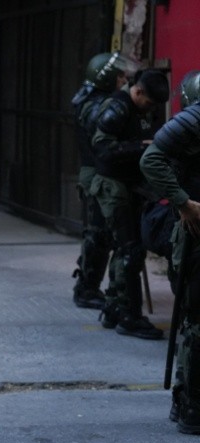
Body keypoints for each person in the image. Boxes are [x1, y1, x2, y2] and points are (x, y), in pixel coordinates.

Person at [140, 70, 200, 435]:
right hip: (195, 232)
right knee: (198, 319)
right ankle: (190, 403)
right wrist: (184, 204)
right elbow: (151, 160)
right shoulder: (192, 120)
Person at [91, 69, 170, 339]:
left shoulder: (141, 109)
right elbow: (102, 151)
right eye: (148, 103)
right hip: (112, 186)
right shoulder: (118, 107)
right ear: (137, 92)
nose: (150, 109)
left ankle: (115, 307)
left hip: (130, 186)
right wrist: (142, 146)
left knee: (125, 249)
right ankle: (129, 315)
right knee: (130, 250)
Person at [71, 52, 138, 309]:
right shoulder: (97, 106)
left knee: (100, 234)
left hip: (94, 172)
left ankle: (88, 287)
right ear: (107, 78)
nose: (123, 80)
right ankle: (87, 288)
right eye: (120, 75)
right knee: (99, 234)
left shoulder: (90, 98)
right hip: (96, 174)